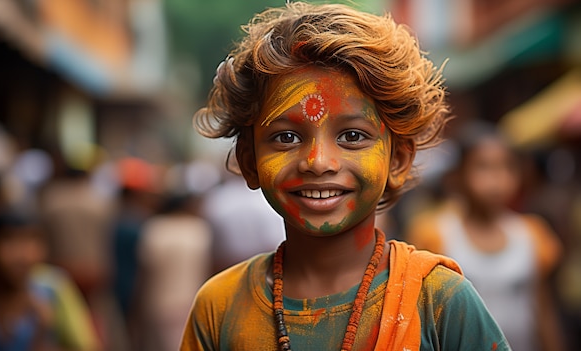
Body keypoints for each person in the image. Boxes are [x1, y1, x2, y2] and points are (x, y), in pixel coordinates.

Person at [180, 2, 509, 350]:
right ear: (249, 162)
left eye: (352, 136)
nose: (318, 162)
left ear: (397, 160)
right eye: (286, 137)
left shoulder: (438, 301)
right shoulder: (219, 307)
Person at [406, 121, 566, 351]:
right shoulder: (434, 235)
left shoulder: (532, 234)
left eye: (506, 167)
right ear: (458, 175)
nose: (496, 180)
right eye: (483, 167)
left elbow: (543, 311)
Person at [0, 209, 99, 351]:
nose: (22, 255)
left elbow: (87, 345)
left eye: (31, 241)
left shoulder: (52, 288)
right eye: (9, 241)